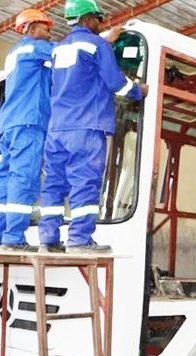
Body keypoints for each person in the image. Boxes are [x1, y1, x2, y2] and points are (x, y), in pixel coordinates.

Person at [38, 0, 148, 254]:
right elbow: (115, 82)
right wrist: (138, 90)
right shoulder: (97, 45)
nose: (101, 23)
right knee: (85, 181)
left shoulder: (58, 49)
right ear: (87, 19)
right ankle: (79, 240)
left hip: (57, 129)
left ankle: (48, 240)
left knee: (53, 184)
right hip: (86, 126)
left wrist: (106, 40)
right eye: (98, 18)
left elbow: (77, 68)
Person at [0, 9, 54, 251]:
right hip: (28, 123)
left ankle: (3, 234)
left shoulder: (15, 53)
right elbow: (65, 52)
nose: (49, 33)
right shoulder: (33, 47)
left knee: (6, 179)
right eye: (45, 28)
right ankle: (13, 238)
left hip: (9, 124)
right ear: (31, 28)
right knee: (24, 177)